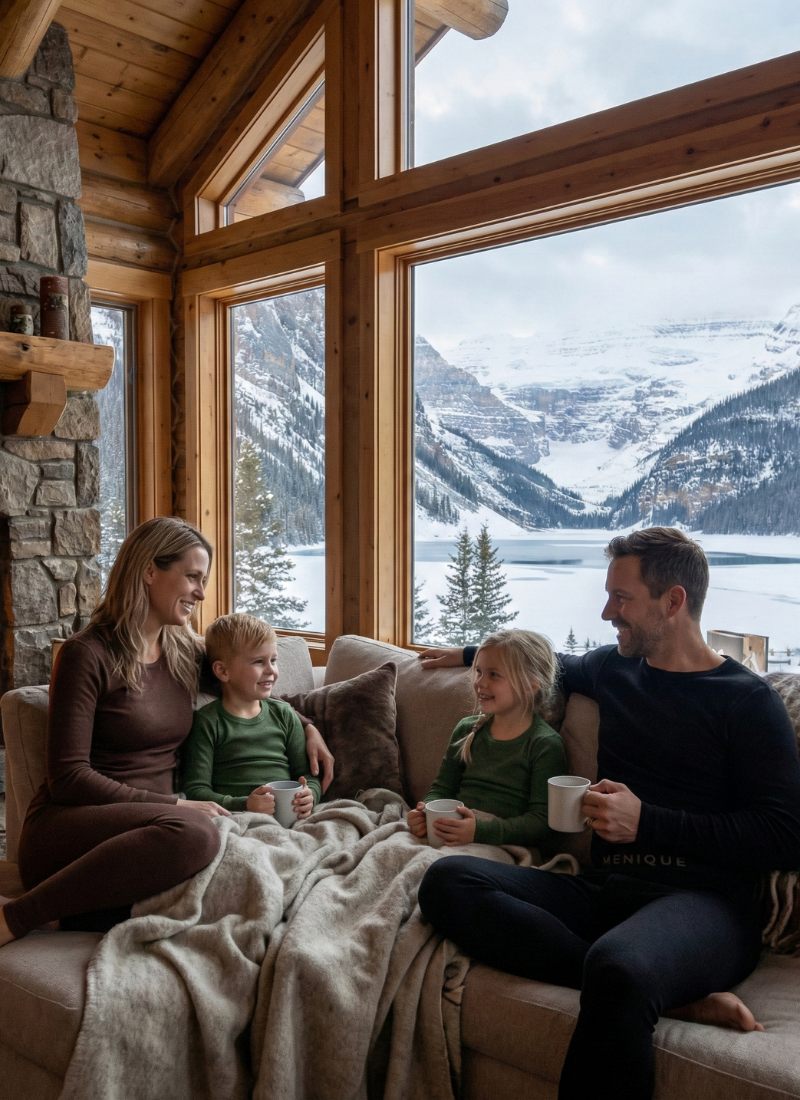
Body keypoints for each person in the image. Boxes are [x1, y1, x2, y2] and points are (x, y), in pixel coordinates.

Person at [416, 527, 800, 1100]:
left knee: (618, 968)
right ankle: (677, 998)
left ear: (674, 602)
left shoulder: (747, 702)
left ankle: (635, 982)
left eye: (621, 599)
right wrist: (474, 656)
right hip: (606, 890)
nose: (606, 612)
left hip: (706, 905)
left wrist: (648, 822)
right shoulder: (614, 669)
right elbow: (552, 663)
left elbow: (783, 835)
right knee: (446, 882)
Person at [0, 517, 333, 945]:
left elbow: (250, 688)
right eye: (192, 576)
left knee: (242, 871)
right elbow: (68, 780)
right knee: (197, 833)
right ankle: (18, 918)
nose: (201, 591)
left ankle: (68, 919)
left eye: (204, 579)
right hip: (74, 828)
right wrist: (178, 804)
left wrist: (306, 726)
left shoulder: (184, 650)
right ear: (149, 570)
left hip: (153, 835)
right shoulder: (87, 655)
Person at [407, 629, 566, 847]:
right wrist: (425, 811)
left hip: (500, 845)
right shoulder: (467, 729)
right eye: (479, 671)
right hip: (453, 834)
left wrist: (479, 831)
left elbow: (541, 822)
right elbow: (442, 788)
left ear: (530, 685)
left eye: (494, 674)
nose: (480, 682)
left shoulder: (544, 744)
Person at [182, 613, 321, 817]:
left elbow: (308, 775)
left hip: (291, 817)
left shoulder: (284, 715)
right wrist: (245, 804)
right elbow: (196, 791)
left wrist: (311, 795)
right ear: (222, 671)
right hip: (237, 817)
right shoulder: (207, 722)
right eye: (258, 662)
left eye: (273, 660)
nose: (271, 670)